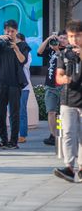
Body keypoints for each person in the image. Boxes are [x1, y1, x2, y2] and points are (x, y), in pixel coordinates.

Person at [0, 19, 30, 149]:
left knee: (14, 113)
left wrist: (16, 48)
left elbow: (22, 60)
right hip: (2, 82)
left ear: (16, 31)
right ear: (4, 31)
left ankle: (14, 141)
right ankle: (3, 139)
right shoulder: (1, 44)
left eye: (12, 31)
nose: (10, 33)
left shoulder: (23, 45)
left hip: (15, 84)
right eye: (7, 31)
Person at [53, 20, 82, 183]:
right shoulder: (64, 55)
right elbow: (58, 75)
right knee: (68, 133)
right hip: (68, 99)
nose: (74, 40)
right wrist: (63, 78)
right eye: (71, 36)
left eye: (78, 36)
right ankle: (69, 168)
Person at [37, 31, 68, 146]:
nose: (62, 40)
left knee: (65, 112)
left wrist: (57, 50)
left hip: (64, 86)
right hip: (50, 85)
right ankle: (53, 135)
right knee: (51, 111)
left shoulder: (69, 51)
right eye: (60, 38)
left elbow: (65, 61)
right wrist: (49, 38)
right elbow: (39, 52)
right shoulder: (51, 49)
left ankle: (65, 134)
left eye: (65, 38)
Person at [16, 33, 32, 143]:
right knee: (13, 111)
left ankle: (22, 134)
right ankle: (14, 133)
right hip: (12, 84)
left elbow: (23, 64)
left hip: (24, 86)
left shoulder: (27, 54)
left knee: (22, 110)